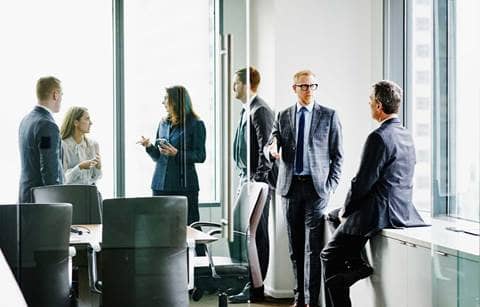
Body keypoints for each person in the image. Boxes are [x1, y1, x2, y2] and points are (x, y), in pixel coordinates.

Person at [320, 80, 428, 307]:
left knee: (328, 256)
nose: (369, 105)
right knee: (331, 215)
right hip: (401, 209)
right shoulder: (405, 134)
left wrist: (347, 210)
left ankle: (357, 268)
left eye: (370, 101)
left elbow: (362, 183)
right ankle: (355, 261)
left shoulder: (378, 136)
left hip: (378, 212)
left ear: (378, 105)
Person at [268, 70, 343, 307]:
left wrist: (329, 186)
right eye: (304, 86)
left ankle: (311, 301)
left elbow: (338, 156)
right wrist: (271, 149)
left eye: (312, 86)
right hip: (290, 188)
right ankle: (299, 298)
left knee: (313, 248)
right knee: (295, 247)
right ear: (294, 89)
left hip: (316, 190)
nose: (309, 90)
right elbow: (272, 141)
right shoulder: (283, 115)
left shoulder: (329, 116)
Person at [229, 67, 274, 303]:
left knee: (256, 235)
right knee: (242, 234)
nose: (232, 88)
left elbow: (267, 149)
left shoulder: (261, 111)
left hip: (257, 184)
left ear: (246, 84)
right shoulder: (246, 111)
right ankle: (247, 283)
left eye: (235, 83)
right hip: (245, 180)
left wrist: (257, 179)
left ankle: (256, 287)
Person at [137, 85, 206, 228]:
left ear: (176, 101)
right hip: (160, 186)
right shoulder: (163, 123)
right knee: (160, 230)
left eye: (166, 98)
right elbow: (159, 156)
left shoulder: (196, 124)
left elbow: (200, 155)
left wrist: (177, 154)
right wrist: (149, 147)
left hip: (184, 187)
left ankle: (198, 252)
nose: (163, 102)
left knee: (190, 228)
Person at [18, 76, 64, 203]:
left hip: (26, 197)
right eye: (62, 94)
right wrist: (57, 202)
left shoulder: (26, 120)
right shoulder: (47, 125)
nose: (61, 99)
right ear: (55, 94)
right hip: (42, 203)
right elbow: (49, 167)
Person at [60, 106, 102, 185]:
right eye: (87, 119)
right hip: (71, 195)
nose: (91, 123)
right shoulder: (63, 146)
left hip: (90, 193)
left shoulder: (93, 145)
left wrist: (98, 167)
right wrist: (80, 167)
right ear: (76, 122)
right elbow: (63, 180)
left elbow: (96, 177)